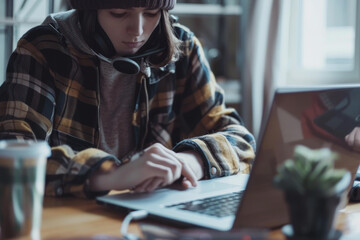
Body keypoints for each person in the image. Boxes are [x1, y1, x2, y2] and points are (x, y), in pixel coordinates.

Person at [0, 0, 256, 198]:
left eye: (151, 13)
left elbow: (242, 142)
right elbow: (13, 159)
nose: (138, 30)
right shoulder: (42, 49)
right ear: (91, 10)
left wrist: (191, 160)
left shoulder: (184, 47)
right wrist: (110, 175)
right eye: (119, 13)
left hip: (148, 218)